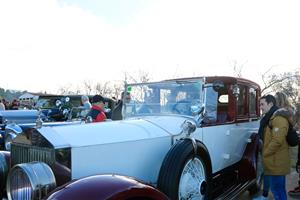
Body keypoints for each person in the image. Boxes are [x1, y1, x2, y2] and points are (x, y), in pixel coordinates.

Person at [255, 94, 290, 200]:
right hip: (273, 160)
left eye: (262, 104)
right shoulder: (270, 117)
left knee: (278, 190)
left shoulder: (278, 118)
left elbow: (277, 141)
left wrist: (265, 152)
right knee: (277, 190)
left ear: (270, 104)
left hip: (277, 161)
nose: (260, 107)